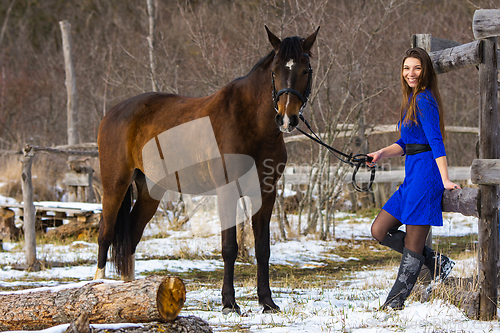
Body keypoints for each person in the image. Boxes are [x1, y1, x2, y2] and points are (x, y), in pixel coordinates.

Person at [367, 47, 460, 310]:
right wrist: (382, 153)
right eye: (407, 68)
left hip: (427, 175)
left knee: (413, 243)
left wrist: (445, 180)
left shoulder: (424, 99)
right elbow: (406, 143)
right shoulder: (410, 100)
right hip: (412, 175)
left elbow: (435, 142)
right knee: (379, 230)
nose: (411, 73)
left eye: (417, 68)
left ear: (425, 71)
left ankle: (394, 304)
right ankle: (437, 262)